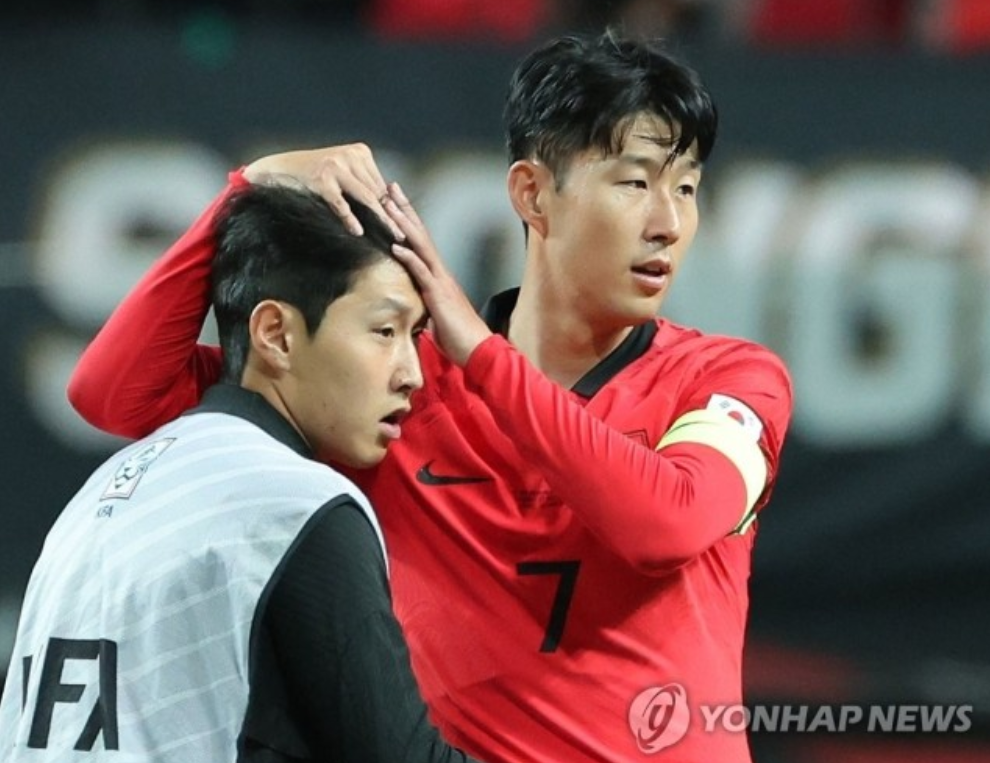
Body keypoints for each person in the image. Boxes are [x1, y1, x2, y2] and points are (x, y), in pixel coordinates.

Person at [67, 30, 793, 762]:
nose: (669, 223)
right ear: (533, 194)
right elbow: (119, 394)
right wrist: (246, 191)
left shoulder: (729, 378)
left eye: (686, 188)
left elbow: (666, 524)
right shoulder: (399, 385)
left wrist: (480, 352)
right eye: (635, 183)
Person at [0, 183, 486, 763]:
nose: (412, 373)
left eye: (416, 336)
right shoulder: (295, 505)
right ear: (275, 334)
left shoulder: (100, 490)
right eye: (385, 331)